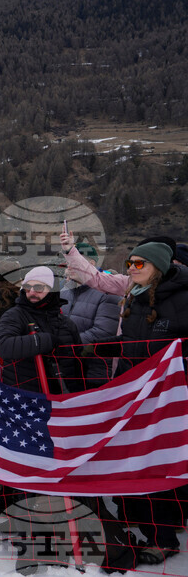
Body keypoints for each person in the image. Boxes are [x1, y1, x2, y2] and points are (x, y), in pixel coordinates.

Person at [109, 241, 188, 563]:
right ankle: (156, 532)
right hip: (139, 395)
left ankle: (166, 532)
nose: (131, 268)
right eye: (130, 262)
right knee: (142, 463)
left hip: (173, 398)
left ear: (159, 266)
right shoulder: (136, 298)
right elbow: (132, 344)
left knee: (163, 465)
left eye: (139, 263)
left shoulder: (183, 298)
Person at [0, 266, 84, 394]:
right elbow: (4, 346)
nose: (32, 292)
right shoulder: (14, 315)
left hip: (65, 396)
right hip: (27, 396)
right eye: (27, 287)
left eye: (38, 288)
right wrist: (45, 340)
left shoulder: (66, 323)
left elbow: (79, 362)